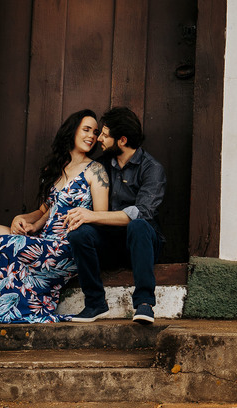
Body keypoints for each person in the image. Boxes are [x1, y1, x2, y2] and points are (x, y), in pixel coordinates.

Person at [0, 109, 109, 323]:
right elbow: (43, 211)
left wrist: (86, 216)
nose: (92, 136)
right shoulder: (56, 168)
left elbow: (101, 217)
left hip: (66, 247)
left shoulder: (96, 171)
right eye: (86, 130)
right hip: (42, 240)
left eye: (95, 132)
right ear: (72, 131)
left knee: (1, 244)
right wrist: (22, 220)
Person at [65, 106, 166, 324]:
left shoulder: (152, 169)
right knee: (79, 234)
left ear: (121, 140)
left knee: (138, 225)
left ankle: (144, 304)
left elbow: (141, 213)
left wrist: (91, 215)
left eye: (104, 134)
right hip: (111, 243)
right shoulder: (102, 165)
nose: (98, 138)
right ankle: (94, 304)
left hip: (143, 244)